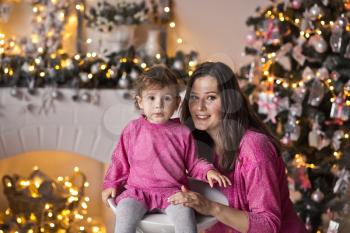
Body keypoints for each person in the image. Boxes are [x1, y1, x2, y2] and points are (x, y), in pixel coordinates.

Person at [168, 62, 307, 233]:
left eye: (211, 97)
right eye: (195, 97)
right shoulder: (196, 145)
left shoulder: (254, 148)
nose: (199, 107)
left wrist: (212, 208)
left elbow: (268, 225)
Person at [102, 65, 231, 233]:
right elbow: (120, 160)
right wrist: (111, 183)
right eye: (152, 98)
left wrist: (208, 171)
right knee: (124, 215)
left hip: (173, 193)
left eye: (167, 98)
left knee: (186, 219)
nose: (159, 105)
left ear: (177, 102)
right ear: (140, 102)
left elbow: (193, 163)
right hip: (137, 191)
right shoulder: (132, 129)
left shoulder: (182, 132)